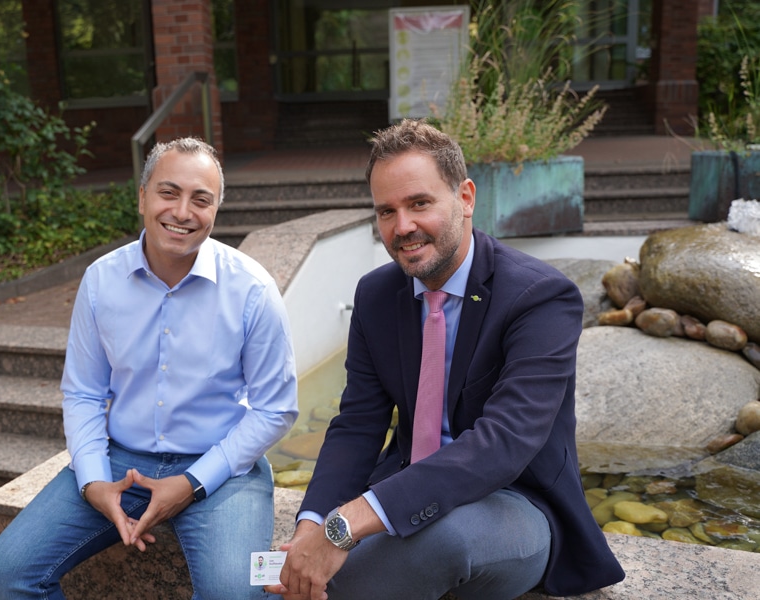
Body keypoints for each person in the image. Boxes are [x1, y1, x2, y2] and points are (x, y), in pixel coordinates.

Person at [266, 119, 624, 600]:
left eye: (419, 203)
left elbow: (504, 442)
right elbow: (358, 425)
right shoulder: (376, 295)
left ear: (466, 198)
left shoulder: (540, 297)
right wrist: (314, 524)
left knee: (440, 541)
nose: (403, 227)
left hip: (514, 502)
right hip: (406, 489)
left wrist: (346, 523)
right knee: (287, 563)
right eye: (386, 212)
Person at [0, 137, 299, 600]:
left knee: (238, 593)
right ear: (142, 196)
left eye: (201, 199)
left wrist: (193, 482)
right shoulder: (101, 281)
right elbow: (84, 392)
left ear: (216, 210)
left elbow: (275, 409)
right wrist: (92, 480)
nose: (183, 211)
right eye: (168, 192)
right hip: (119, 462)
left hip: (223, 467)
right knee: (7, 571)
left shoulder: (252, 289)